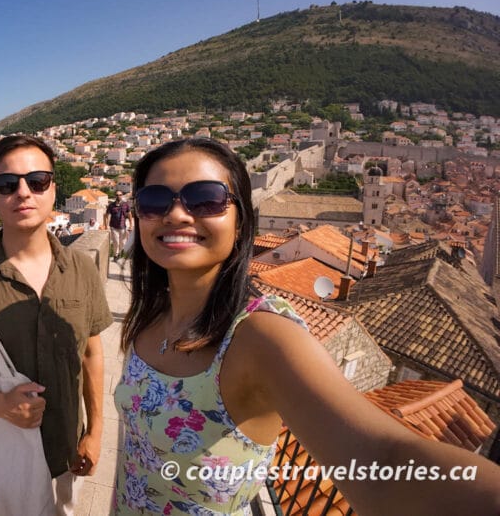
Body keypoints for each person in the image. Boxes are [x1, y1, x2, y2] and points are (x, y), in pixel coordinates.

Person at [114, 137, 500, 515]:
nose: (177, 215)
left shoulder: (263, 335)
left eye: (205, 199)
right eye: (154, 201)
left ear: (241, 221)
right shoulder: (152, 312)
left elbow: (382, 456)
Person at [0, 135, 113, 514]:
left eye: (38, 181)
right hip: (4, 456)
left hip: (67, 446)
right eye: (8, 184)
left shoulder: (80, 268)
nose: (23, 192)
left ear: (53, 189)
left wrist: (94, 433)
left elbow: (92, 351)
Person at [106, 190, 133, 259]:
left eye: (120, 195)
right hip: (114, 227)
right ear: (115, 196)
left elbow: (129, 215)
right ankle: (116, 255)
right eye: (117, 195)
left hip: (123, 227)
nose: (119, 196)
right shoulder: (111, 205)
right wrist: (107, 225)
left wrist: (131, 225)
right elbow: (108, 215)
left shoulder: (125, 204)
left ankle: (120, 254)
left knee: (122, 243)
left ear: (122, 195)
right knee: (116, 242)